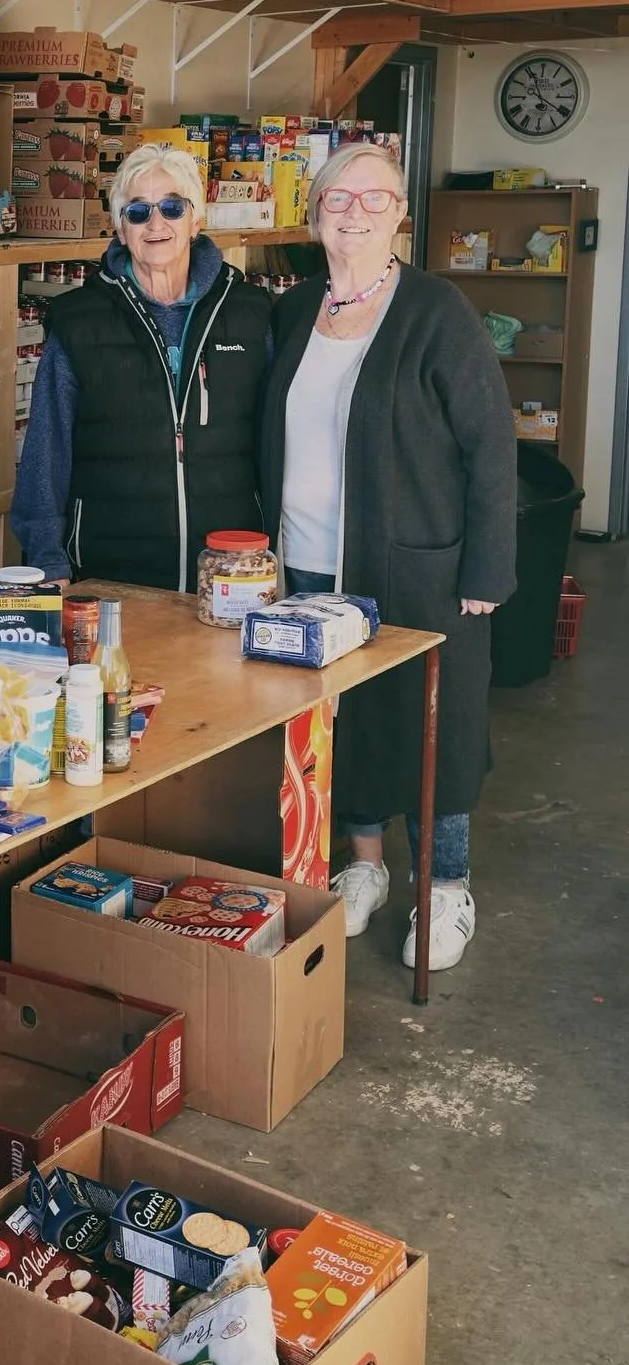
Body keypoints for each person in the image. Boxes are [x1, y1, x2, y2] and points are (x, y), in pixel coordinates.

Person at [259, 143, 517, 972]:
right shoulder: (294, 309)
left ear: (402, 215)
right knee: (347, 722)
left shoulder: (438, 311)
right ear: (315, 213)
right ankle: (364, 866)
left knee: (435, 722)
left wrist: (487, 570)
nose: (357, 211)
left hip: (419, 567)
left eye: (376, 198)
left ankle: (445, 886)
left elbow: (491, 448)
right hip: (308, 564)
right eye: (340, 196)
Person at [12, 142, 271, 589]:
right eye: (137, 211)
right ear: (118, 227)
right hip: (110, 573)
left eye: (172, 207)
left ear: (196, 220)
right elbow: (46, 447)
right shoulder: (78, 320)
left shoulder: (251, 312)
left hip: (232, 570)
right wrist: (48, 559)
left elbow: (279, 439)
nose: (156, 223)